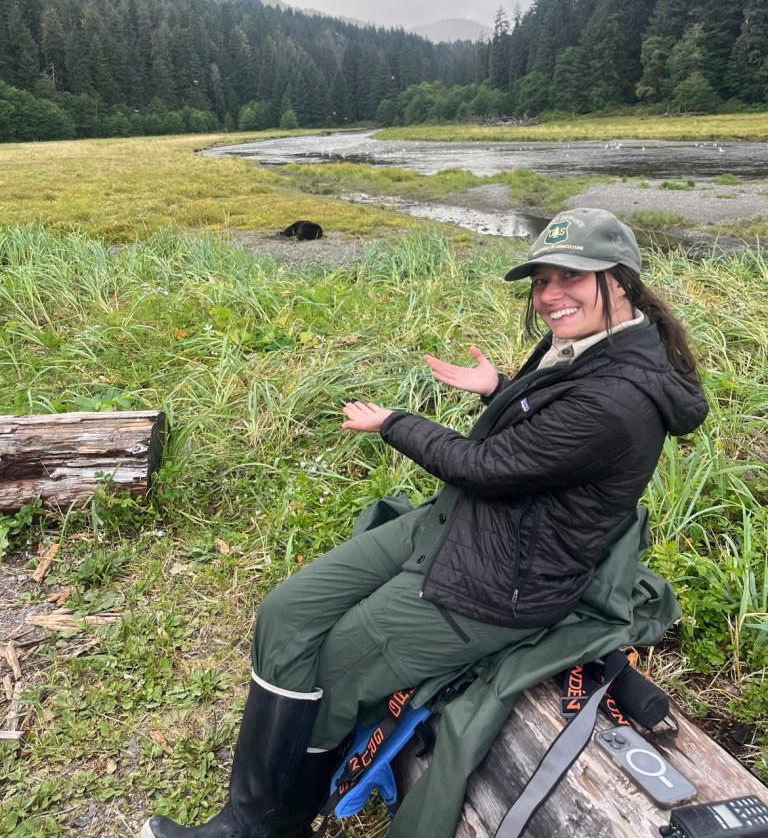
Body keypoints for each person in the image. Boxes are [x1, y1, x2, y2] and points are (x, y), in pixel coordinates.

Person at [142, 207, 709, 838]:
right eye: (542, 280)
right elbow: (548, 441)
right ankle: (246, 815)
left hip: (499, 584)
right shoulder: (585, 346)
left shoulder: (621, 397)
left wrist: (392, 423)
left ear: (621, 281)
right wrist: (499, 387)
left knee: (332, 669)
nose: (550, 296)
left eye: (570, 278)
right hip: (458, 527)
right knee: (286, 612)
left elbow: (488, 466)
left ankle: (271, 825)